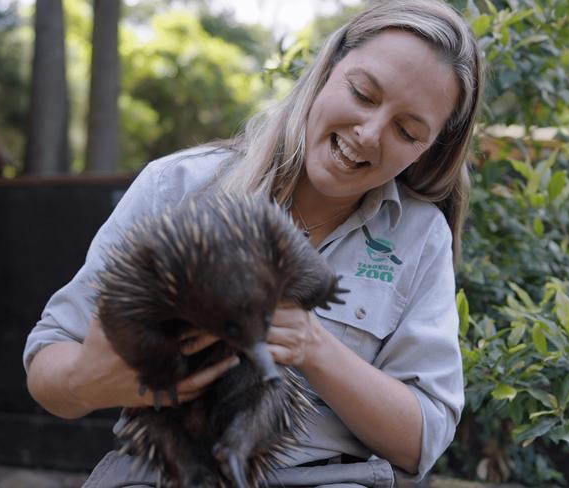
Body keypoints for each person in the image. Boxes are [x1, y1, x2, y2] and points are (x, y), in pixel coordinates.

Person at [24, 0, 484, 486]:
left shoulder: (418, 237)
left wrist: (312, 345)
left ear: (428, 148)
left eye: (407, 130)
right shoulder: (178, 187)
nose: (368, 135)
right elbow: (51, 360)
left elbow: (423, 440)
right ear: (328, 70)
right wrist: (86, 380)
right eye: (363, 94)